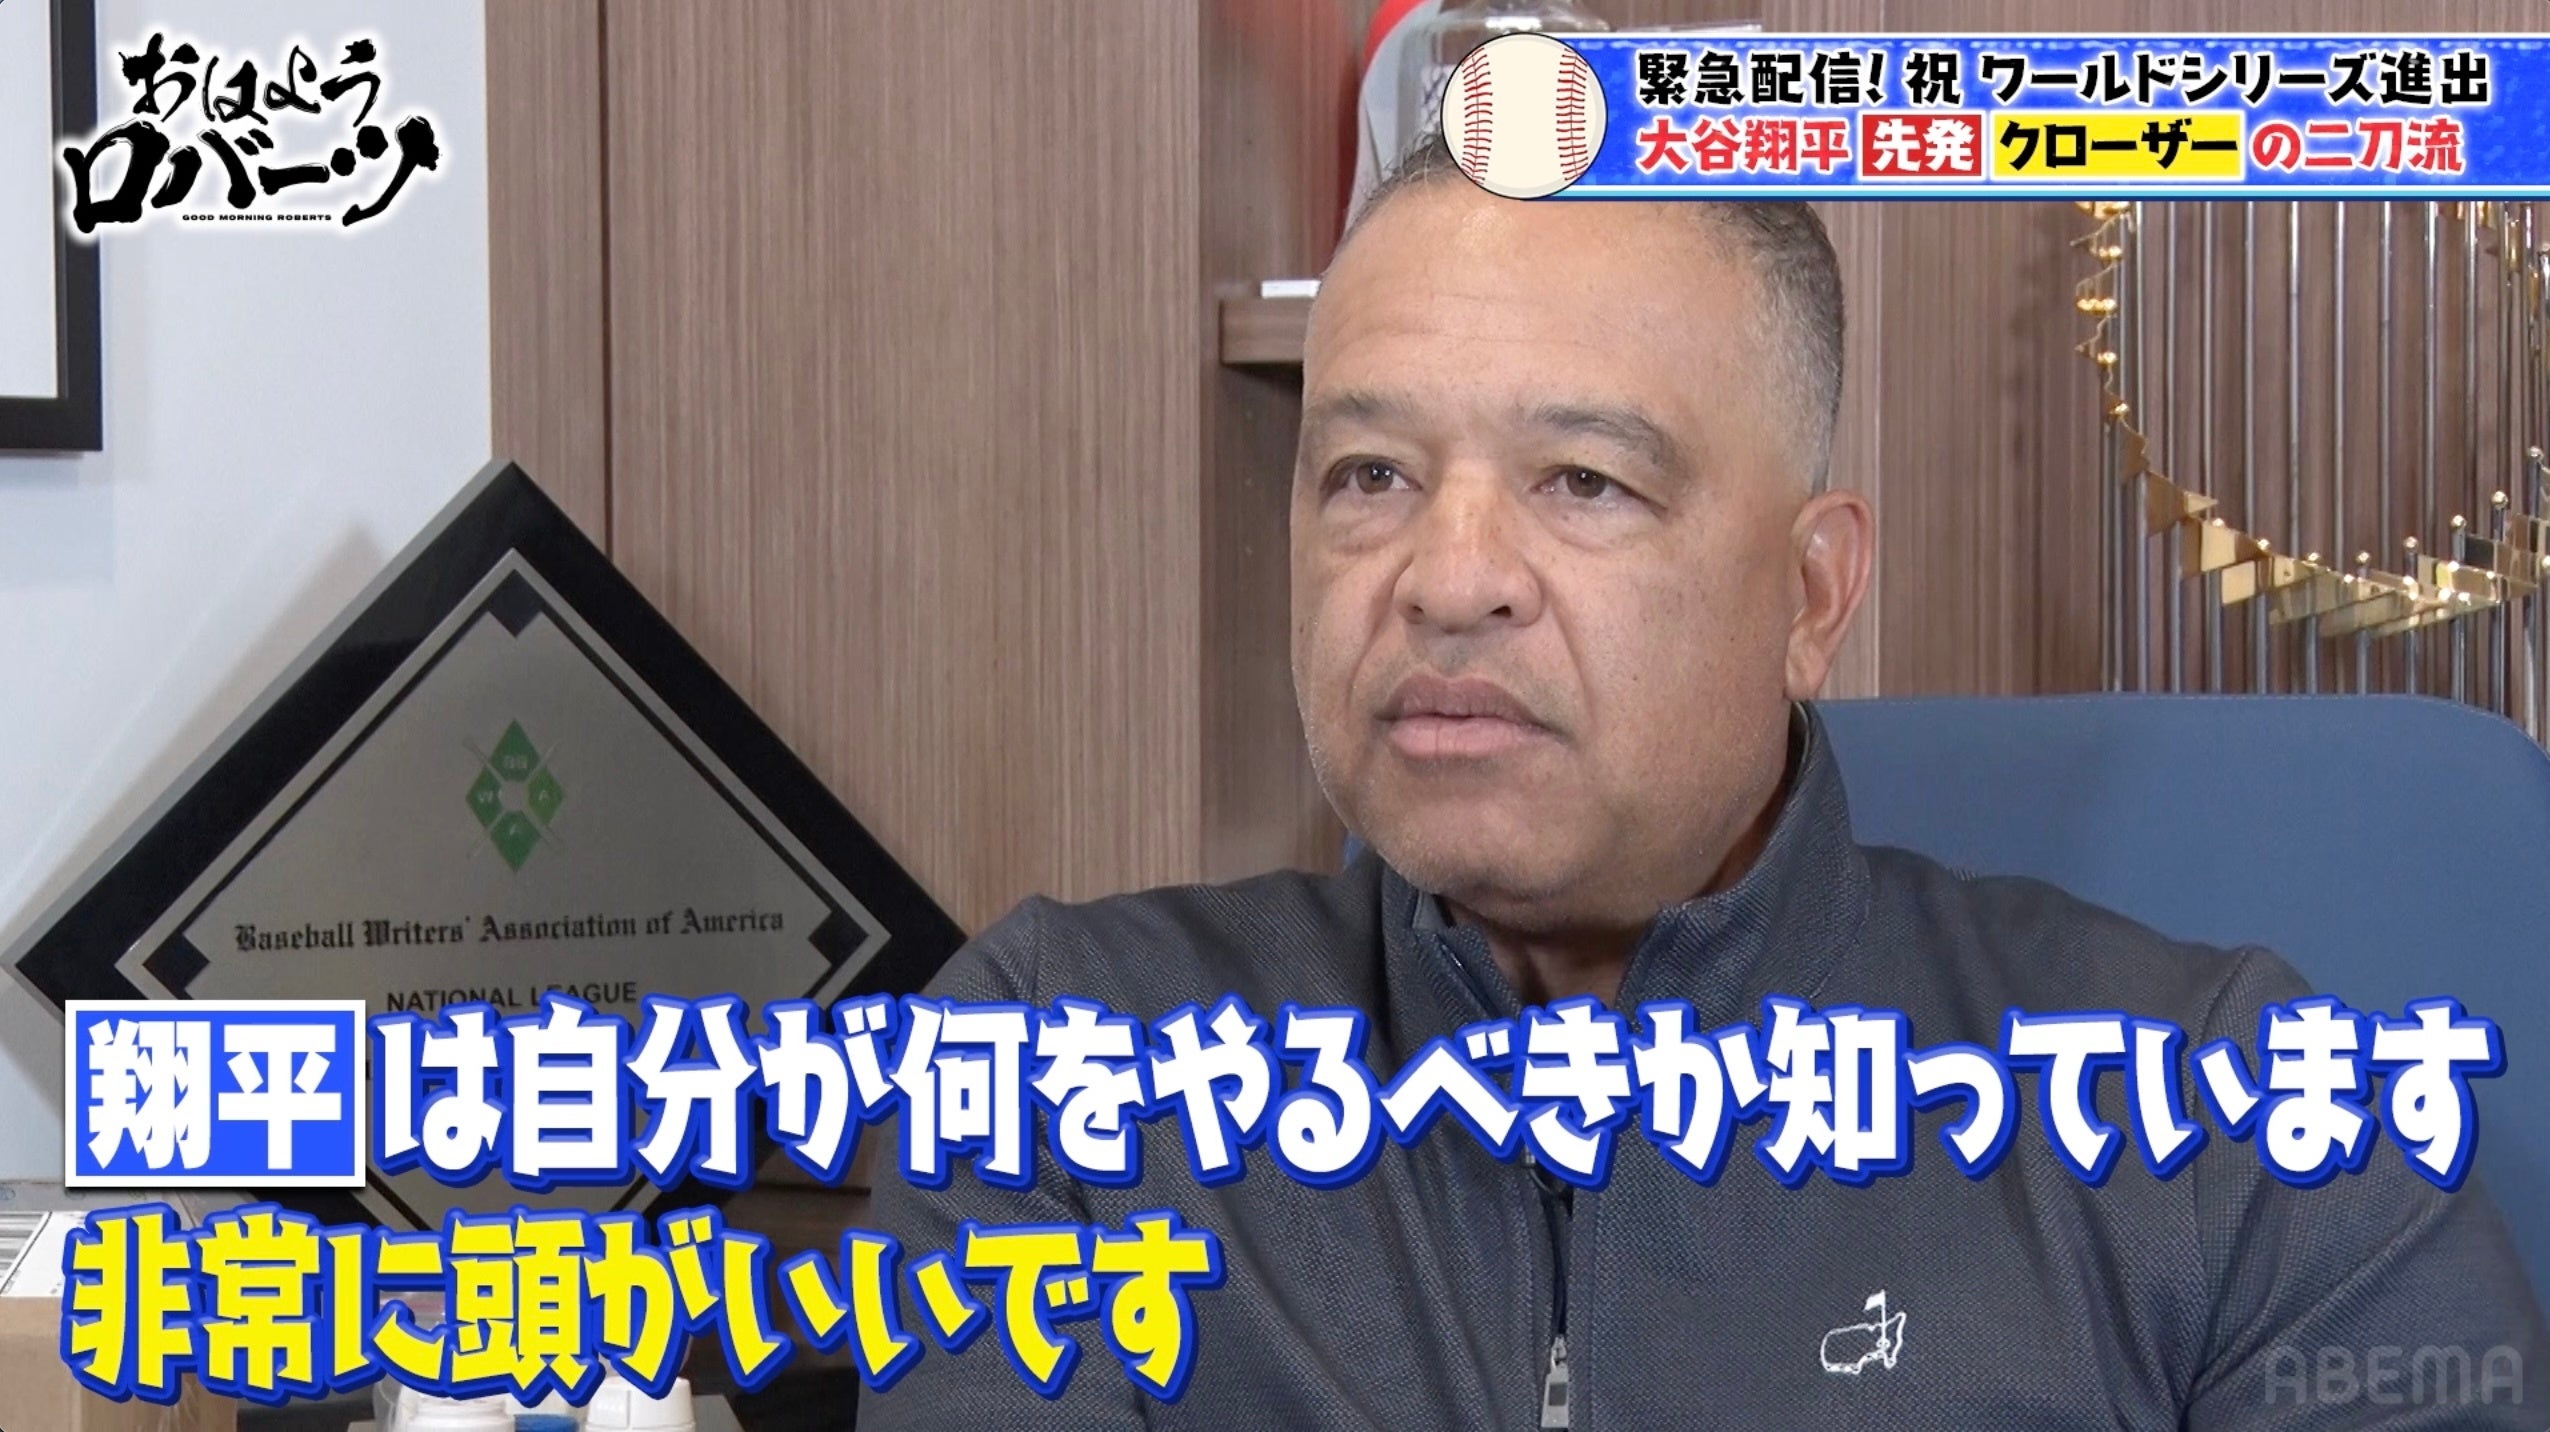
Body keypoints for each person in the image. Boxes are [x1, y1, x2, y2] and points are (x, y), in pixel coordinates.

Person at [862, 142, 2547, 1428]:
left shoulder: (2246, 1139)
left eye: (1583, 482)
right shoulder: (1056, 1070)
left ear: (1810, 594)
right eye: (1368, 474)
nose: (1447, 578)